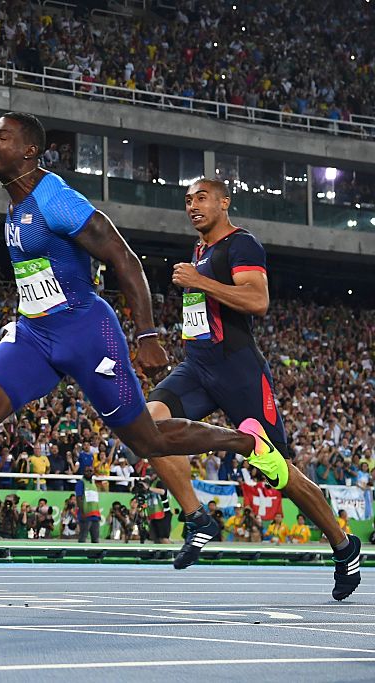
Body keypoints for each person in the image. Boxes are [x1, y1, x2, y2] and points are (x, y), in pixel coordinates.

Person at [0, 112, 282, 581]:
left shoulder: (56, 198)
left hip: (86, 333)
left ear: (28, 152)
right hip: (35, 333)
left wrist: (146, 334)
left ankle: (247, 441)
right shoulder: (16, 204)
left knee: (146, 441)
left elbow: (123, 257)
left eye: (1, 137)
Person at [147, 177, 361, 600]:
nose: (193, 206)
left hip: (238, 372)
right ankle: (197, 517)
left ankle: (342, 543)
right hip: (197, 368)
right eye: (188, 200)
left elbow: (257, 301)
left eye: (202, 198)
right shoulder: (202, 251)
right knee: (147, 428)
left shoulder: (241, 244)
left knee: (278, 472)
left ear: (224, 202)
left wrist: (198, 282)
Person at [75, 468, 101, 543]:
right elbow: (79, 498)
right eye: (87, 471)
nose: (89, 472)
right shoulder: (81, 483)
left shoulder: (93, 484)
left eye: (91, 471)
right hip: (86, 514)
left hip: (95, 515)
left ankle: (95, 554)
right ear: (83, 472)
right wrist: (82, 512)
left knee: (96, 539)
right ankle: (80, 553)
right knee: (83, 536)